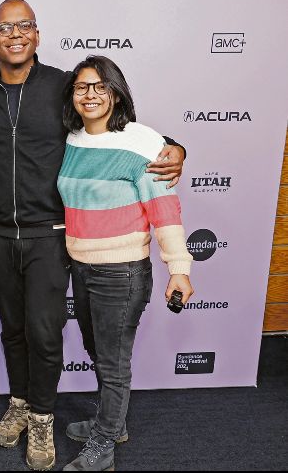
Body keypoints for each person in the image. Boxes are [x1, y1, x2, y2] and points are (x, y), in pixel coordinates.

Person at [0, 0, 188, 471]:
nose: (15, 34)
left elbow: (117, 133)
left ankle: (43, 418)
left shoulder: (65, 87)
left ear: (38, 35)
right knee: (14, 330)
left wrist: (176, 147)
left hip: (51, 234)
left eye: (24, 26)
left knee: (44, 332)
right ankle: (20, 402)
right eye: (4, 27)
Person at [57, 55, 194, 471]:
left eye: (101, 86)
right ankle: (110, 422)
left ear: (117, 93)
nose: (91, 94)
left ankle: (104, 444)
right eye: (82, 87)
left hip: (122, 270)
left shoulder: (143, 141)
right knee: (97, 351)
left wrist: (180, 269)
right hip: (81, 266)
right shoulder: (73, 139)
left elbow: (164, 209)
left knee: (114, 363)